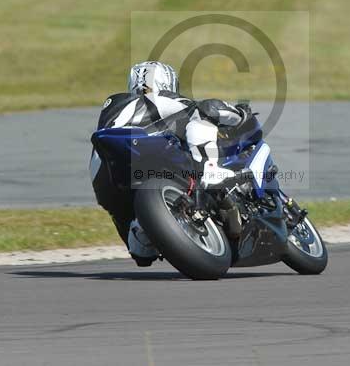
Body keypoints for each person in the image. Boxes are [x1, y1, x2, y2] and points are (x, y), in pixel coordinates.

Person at [89, 61, 251, 266]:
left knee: (141, 252)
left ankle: (141, 230)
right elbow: (208, 108)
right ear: (168, 81)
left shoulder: (114, 106)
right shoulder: (158, 98)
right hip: (145, 153)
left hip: (106, 175)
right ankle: (210, 170)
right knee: (203, 112)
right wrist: (241, 115)